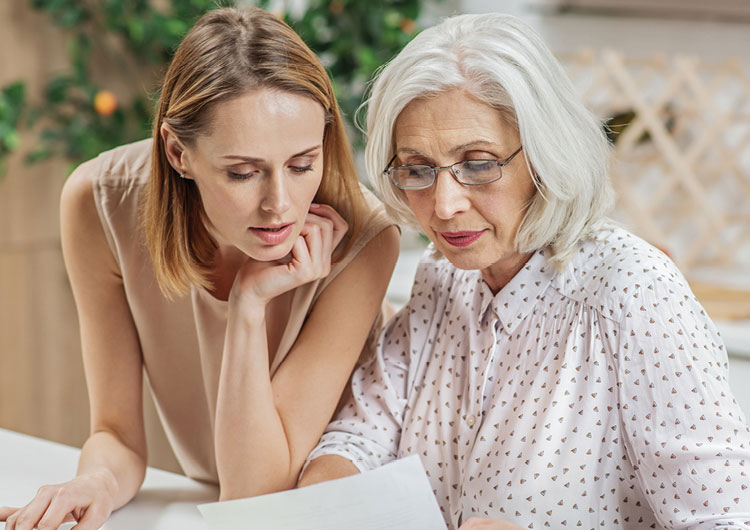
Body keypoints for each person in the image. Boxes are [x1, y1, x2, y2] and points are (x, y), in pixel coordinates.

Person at [298, 13, 750, 530]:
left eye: (478, 163)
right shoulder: (440, 276)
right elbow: (362, 434)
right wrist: (321, 503)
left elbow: (726, 522)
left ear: (543, 154)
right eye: (417, 169)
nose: (444, 205)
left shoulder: (633, 290)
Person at [0, 6, 399, 530]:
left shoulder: (363, 240)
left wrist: (250, 305)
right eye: (242, 173)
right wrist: (94, 482)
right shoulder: (100, 206)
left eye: (303, 164)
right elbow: (117, 435)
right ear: (177, 151)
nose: (280, 203)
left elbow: (256, 496)